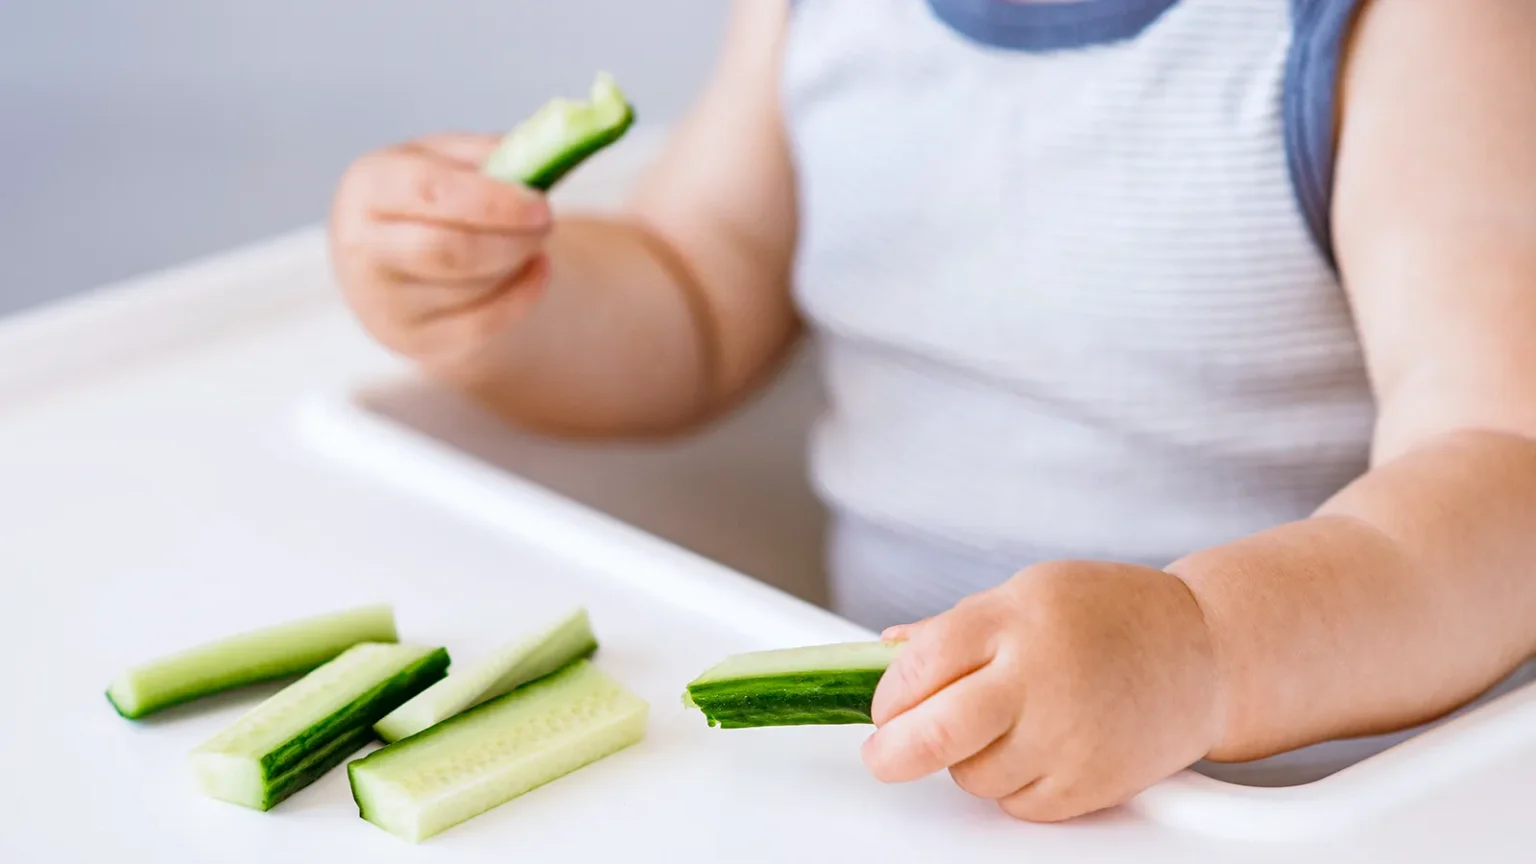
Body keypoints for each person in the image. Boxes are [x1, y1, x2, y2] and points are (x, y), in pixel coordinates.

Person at [329, 0, 1536, 822]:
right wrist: (502, 302)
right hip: (883, 786)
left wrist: (1203, 650)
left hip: (1283, 799)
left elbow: (1502, 468)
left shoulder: (1421, 31)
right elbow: (694, 298)